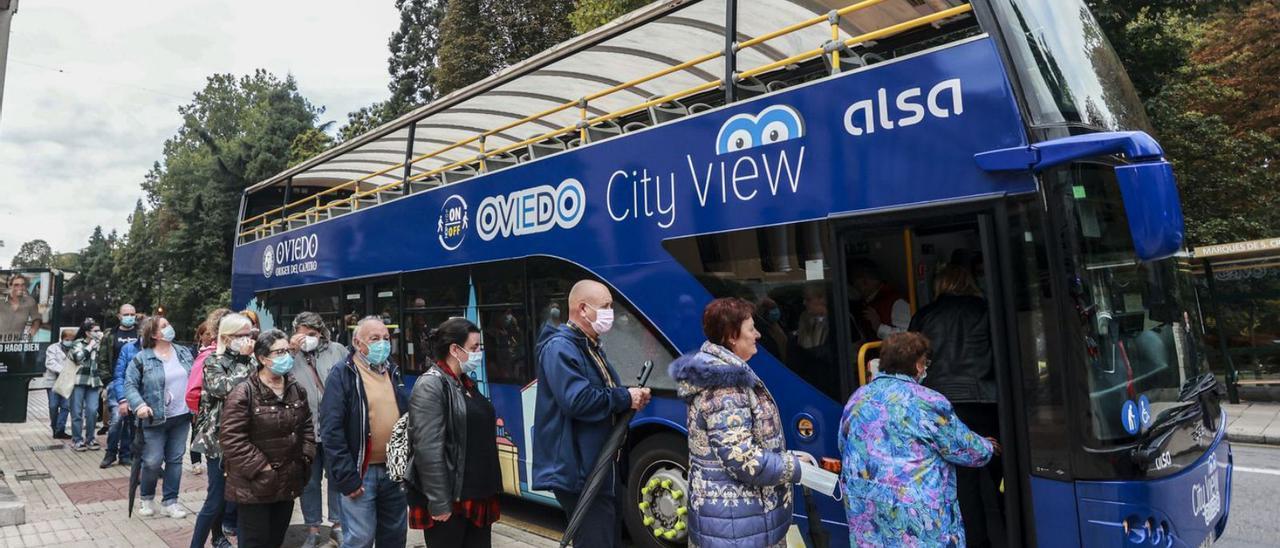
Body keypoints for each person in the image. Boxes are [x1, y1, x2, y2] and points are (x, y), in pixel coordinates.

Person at [669, 297, 812, 547]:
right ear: (732, 336)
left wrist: (786, 457)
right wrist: (792, 468)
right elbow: (742, 459)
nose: (757, 334)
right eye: (751, 328)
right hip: (737, 528)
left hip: (734, 523)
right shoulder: (727, 388)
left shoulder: (720, 376)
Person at [838, 332, 997, 546]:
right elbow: (965, 449)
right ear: (917, 365)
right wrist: (987, 445)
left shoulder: (858, 397)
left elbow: (843, 444)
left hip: (866, 510)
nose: (925, 369)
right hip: (915, 516)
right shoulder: (928, 401)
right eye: (924, 363)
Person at [532, 280, 651, 548]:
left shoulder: (588, 345)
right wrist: (625, 397)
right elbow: (578, 400)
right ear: (583, 309)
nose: (611, 312)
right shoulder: (560, 347)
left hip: (598, 465)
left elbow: (601, 394)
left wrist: (628, 397)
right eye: (606, 306)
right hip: (581, 471)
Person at [908, 265, 1003, 547]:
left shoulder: (925, 314)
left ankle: (976, 541)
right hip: (986, 400)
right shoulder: (987, 310)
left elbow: (915, 360)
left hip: (944, 406)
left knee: (964, 484)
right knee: (1001, 472)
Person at [409, 318, 502, 547]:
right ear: (454, 349)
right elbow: (428, 449)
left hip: (477, 495)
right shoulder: (431, 385)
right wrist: (439, 501)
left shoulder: (465, 383)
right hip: (451, 501)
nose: (479, 353)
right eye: (474, 348)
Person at [220, 329, 315, 548]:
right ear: (263, 358)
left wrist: (306, 457)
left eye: (288, 351)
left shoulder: (295, 389)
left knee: (275, 540)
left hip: (289, 480)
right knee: (255, 542)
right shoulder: (244, 392)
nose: (286, 357)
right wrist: (263, 469)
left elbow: (307, 426)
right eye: (279, 352)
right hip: (255, 486)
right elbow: (231, 438)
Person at [320, 316, 409, 548]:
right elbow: (331, 430)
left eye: (386, 338)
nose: (383, 344)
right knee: (360, 538)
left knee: (394, 535)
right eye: (375, 339)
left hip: (394, 469)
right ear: (359, 343)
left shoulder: (393, 370)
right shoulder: (342, 374)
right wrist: (346, 476)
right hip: (361, 472)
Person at [190, 313, 255, 548]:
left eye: (250, 335)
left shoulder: (253, 359)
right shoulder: (212, 361)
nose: (248, 340)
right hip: (219, 441)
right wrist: (245, 362)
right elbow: (225, 388)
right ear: (227, 337)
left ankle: (226, 538)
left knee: (246, 500)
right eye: (242, 336)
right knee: (216, 499)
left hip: (248, 438)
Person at [123, 316, 194, 519]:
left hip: (181, 416)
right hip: (154, 419)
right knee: (152, 461)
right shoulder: (142, 358)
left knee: (175, 460)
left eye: (168, 324)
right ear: (154, 334)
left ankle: (170, 502)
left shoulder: (183, 352)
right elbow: (129, 385)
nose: (169, 327)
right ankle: (146, 498)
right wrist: (139, 405)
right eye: (164, 326)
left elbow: (195, 379)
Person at [289, 311, 349, 548]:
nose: (307, 339)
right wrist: (290, 350)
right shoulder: (288, 353)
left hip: (335, 430)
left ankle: (337, 525)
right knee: (310, 482)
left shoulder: (338, 351)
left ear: (321, 333)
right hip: (305, 432)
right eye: (301, 335)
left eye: (311, 334)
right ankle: (313, 528)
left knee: (337, 479)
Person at [100, 304, 141, 467]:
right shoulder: (110, 335)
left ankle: (125, 454)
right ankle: (110, 453)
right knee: (116, 420)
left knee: (131, 422)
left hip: (136, 384)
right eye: (126, 314)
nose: (130, 317)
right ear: (119, 316)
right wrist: (108, 382)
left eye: (132, 314)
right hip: (116, 382)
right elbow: (102, 359)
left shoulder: (140, 333)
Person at [848, 258, 911, 341]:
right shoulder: (866, 303)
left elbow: (909, 337)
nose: (854, 287)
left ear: (864, 282)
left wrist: (879, 327)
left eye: (854, 283)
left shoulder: (896, 302)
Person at [67, 318, 105, 451]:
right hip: (78, 381)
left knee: (92, 411)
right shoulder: (78, 343)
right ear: (87, 332)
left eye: (99, 330)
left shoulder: (101, 344)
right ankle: (77, 439)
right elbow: (78, 357)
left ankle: (91, 439)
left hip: (93, 382)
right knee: (77, 412)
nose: (98, 333)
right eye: (95, 331)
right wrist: (90, 346)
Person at [44, 328, 75, 439]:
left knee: (65, 406)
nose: (69, 341)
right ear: (62, 339)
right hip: (53, 382)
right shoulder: (52, 348)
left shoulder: (75, 349)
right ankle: (54, 426)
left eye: (72, 339)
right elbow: (50, 363)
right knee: (53, 405)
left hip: (67, 382)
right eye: (67, 339)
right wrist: (64, 371)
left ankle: (60, 430)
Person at [0, 273, 41, 341]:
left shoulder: (30, 302)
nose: (20, 288)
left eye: (22, 285)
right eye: (16, 285)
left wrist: (30, 335)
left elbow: (37, 319)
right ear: (10, 286)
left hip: (18, 346)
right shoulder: (1, 301)